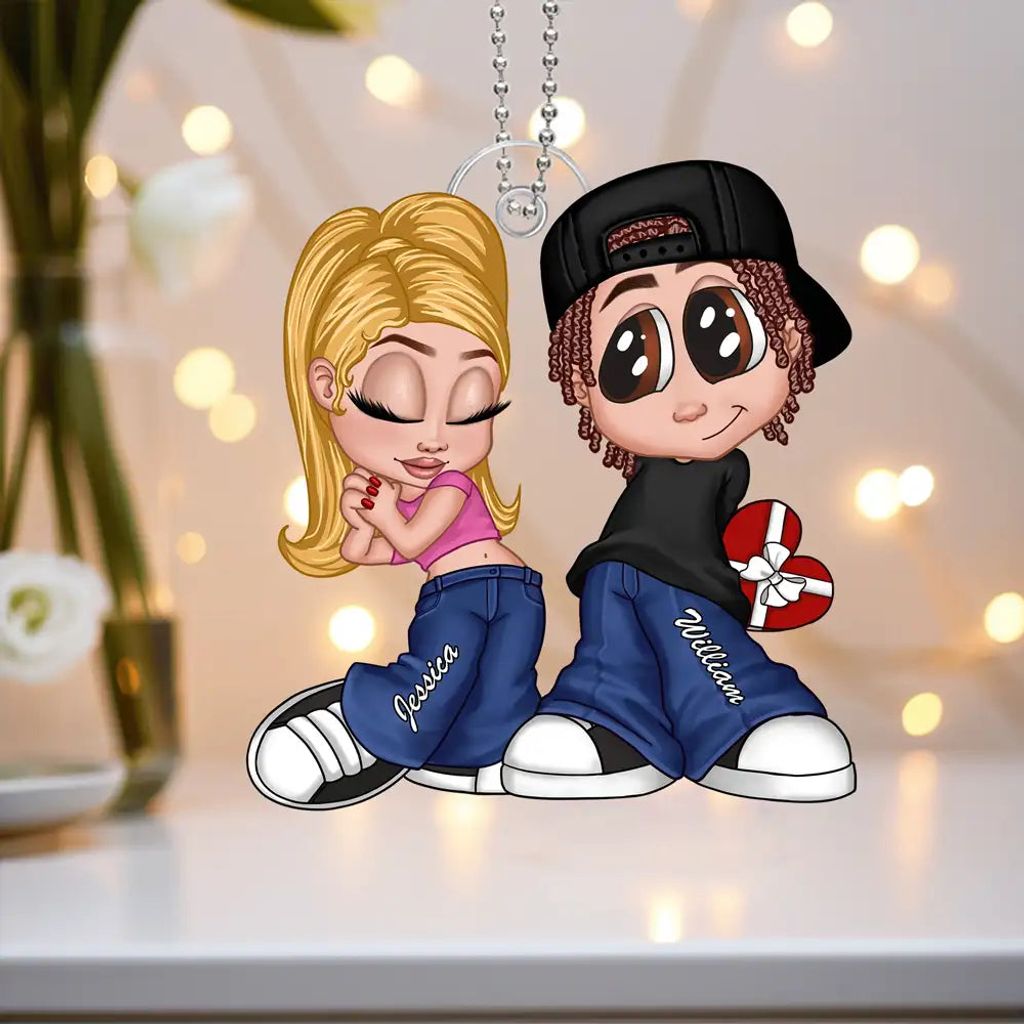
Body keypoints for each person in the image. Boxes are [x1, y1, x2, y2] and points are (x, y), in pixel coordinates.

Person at [501, 160, 856, 802]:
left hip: (687, 579)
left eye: (721, 338)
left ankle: (742, 715)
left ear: (790, 335)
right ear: (582, 380)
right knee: (609, 654)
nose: (688, 399)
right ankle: (608, 721)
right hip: (614, 570)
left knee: (698, 638)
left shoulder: (724, 473)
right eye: (633, 357)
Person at [247, 194, 544, 809]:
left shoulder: (453, 485)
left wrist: (384, 515)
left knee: (489, 685)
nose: (435, 436)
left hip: (499, 593)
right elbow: (371, 553)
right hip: (472, 594)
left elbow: (412, 540)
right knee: (455, 676)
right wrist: (358, 517)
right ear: (329, 385)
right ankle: (400, 740)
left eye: (471, 403)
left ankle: (418, 741)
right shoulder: (404, 489)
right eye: (400, 397)